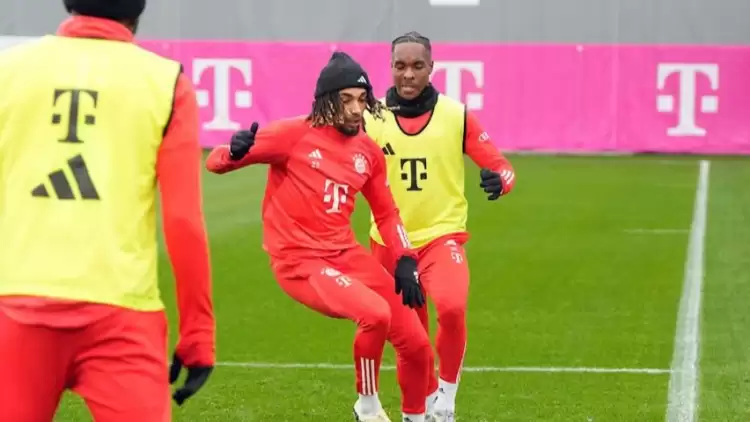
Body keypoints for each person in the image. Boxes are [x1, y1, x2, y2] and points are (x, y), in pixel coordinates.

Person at [0, 1, 216, 421]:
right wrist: (198, 332)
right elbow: (183, 222)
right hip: (122, 315)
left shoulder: (9, 71)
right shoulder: (164, 83)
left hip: (15, 307)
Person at [206, 51, 433, 422]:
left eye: (362, 99)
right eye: (346, 100)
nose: (356, 110)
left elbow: (387, 213)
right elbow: (214, 162)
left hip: (346, 255)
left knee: (418, 344)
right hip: (299, 261)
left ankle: (416, 418)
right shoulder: (291, 135)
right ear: (326, 101)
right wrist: (232, 151)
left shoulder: (368, 152)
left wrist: (406, 259)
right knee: (375, 314)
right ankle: (367, 407)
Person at [363, 31, 517, 422]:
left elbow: (502, 167)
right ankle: (418, 409)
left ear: (431, 67)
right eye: (400, 66)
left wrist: (500, 181)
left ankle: (446, 398)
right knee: (410, 343)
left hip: (440, 238)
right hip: (389, 246)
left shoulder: (455, 115)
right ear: (390, 67)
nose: (408, 75)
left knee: (451, 306)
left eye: (417, 66)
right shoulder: (371, 118)